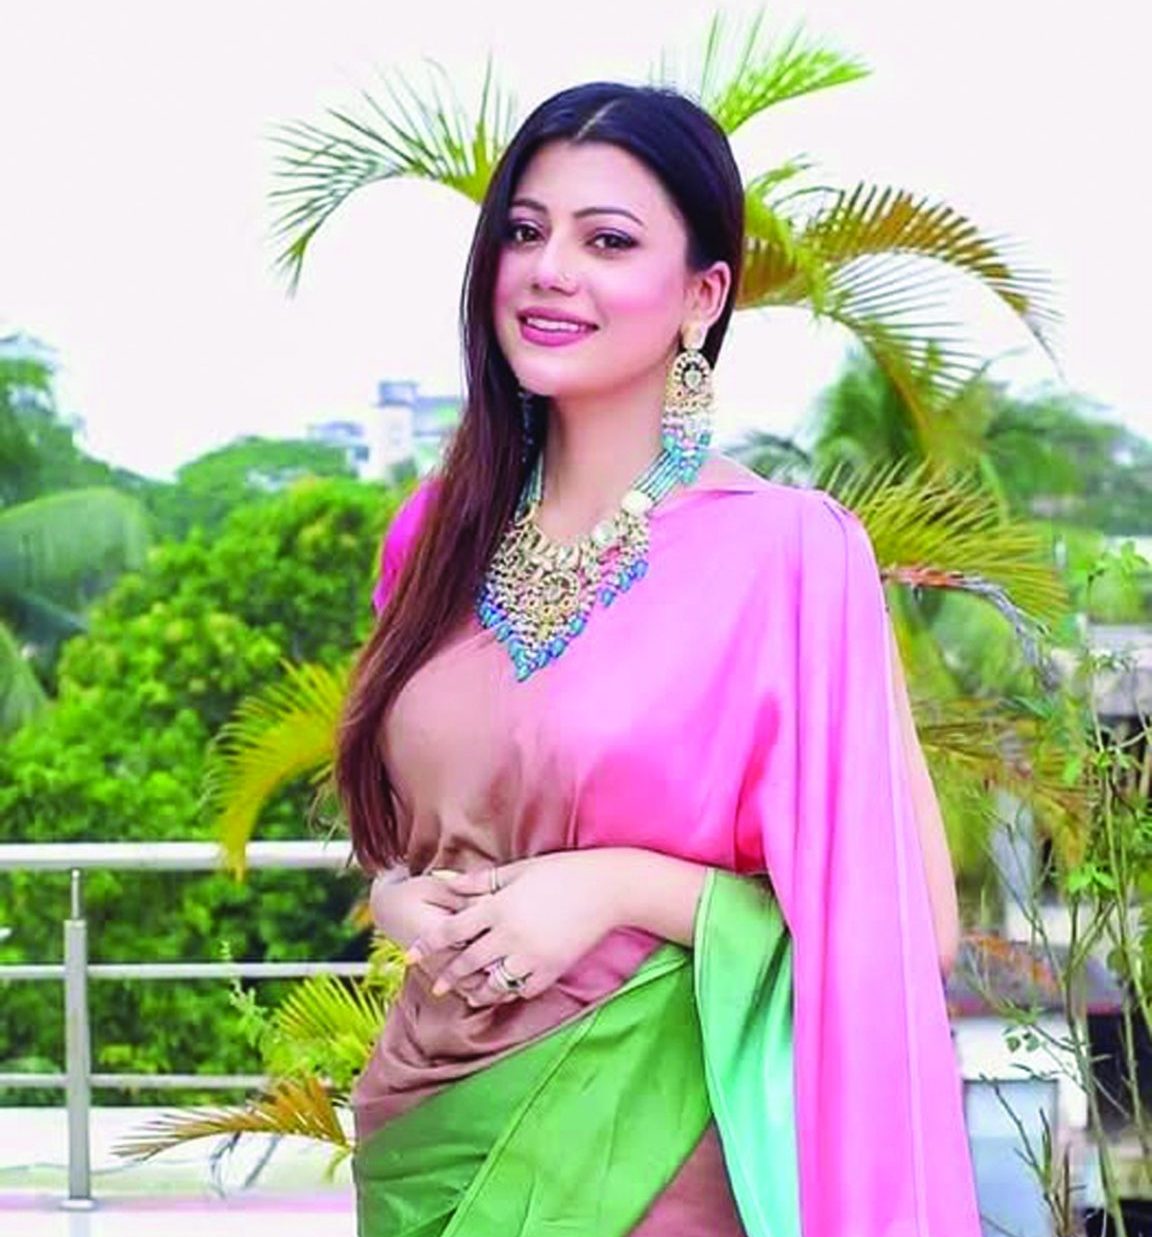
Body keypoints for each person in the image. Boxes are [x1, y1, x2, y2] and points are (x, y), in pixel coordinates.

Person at [336, 80, 982, 1237]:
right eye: (525, 232)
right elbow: (405, 830)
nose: (550, 271)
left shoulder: (787, 554)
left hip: (656, 1145)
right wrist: (398, 898)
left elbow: (909, 926)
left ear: (701, 295)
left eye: (608, 241)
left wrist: (619, 888)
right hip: (429, 1134)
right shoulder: (433, 535)